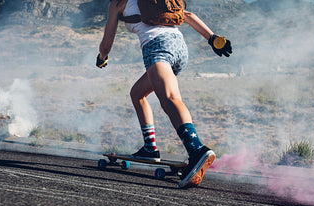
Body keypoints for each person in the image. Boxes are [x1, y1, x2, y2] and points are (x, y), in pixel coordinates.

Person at [96, 0, 232, 188]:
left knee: (169, 99)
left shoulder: (117, 3)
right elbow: (188, 16)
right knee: (137, 94)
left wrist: (102, 58)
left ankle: (197, 150)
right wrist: (212, 39)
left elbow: (106, 45)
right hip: (179, 48)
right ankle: (150, 148)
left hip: (157, 47)